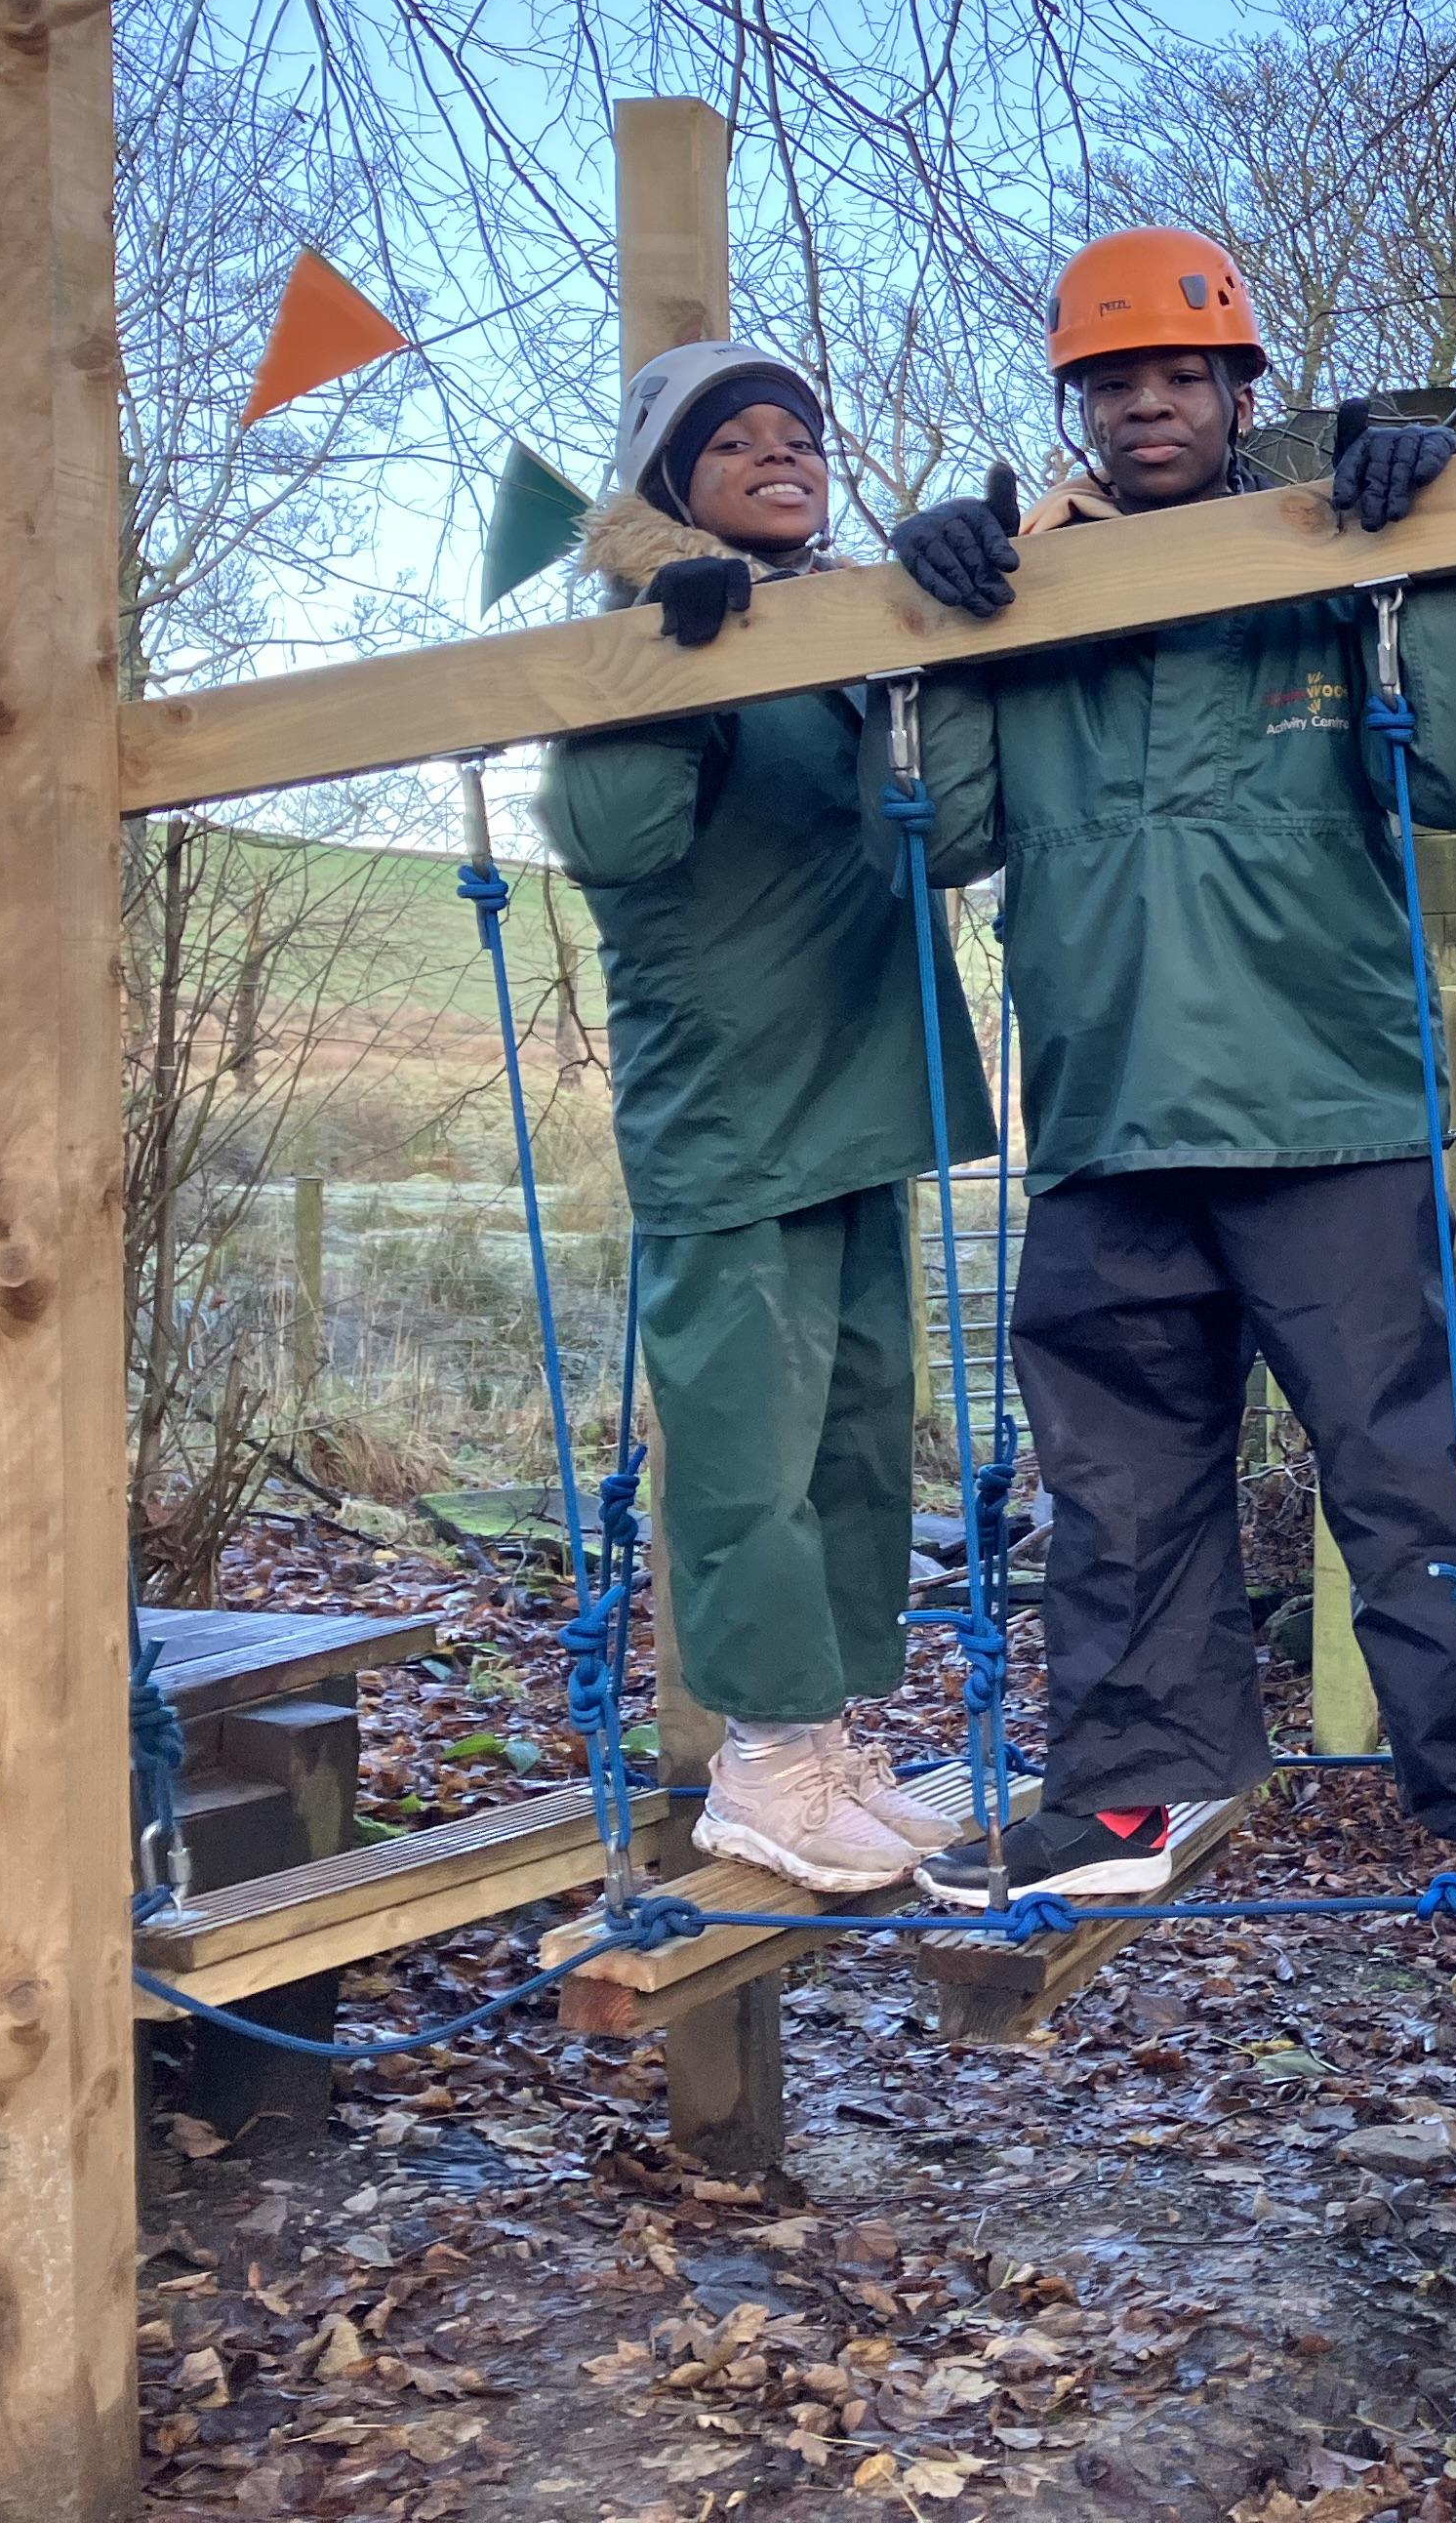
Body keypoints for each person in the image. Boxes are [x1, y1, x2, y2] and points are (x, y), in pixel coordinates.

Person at [879, 226, 1456, 1903]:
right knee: (1113, 1493)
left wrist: (1423, 561)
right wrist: (937, 631)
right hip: (1109, 1123)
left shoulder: (1325, 562)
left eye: (1181, 374)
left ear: (1242, 393)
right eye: (1112, 381)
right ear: (1079, 408)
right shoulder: (1030, 599)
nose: (1147, 405)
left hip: (1331, 1112)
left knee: (1404, 1475)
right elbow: (948, 835)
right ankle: (1126, 1802)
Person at [535, 342, 994, 1892]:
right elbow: (614, 838)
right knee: (746, 1458)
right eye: (733, 440)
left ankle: (829, 1736)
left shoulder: (838, 631)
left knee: (857, 1446)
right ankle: (761, 1761)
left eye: (798, 435)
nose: (779, 453)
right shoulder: (646, 635)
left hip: (859, 1097)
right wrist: (667, 669)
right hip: (734, 1113)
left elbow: (935, 822)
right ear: (671, 483)